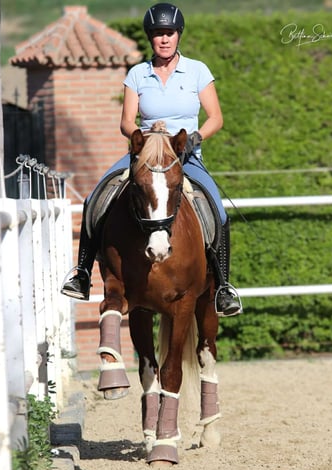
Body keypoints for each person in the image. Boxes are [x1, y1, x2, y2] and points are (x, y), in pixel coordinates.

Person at [60, 2, 242, 317]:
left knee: (218, 209)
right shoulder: (137, 74)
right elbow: (126, 121)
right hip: (145, 155)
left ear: (178, 35)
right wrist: (141, 139)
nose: (164, 39)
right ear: (151, 38)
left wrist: (195, 138)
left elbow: (216, 118)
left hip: (184, 156)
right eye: (158, 34)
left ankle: (223, 286)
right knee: (94, 199)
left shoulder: (197, 71)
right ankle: (82, 273)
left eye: (169, 33)